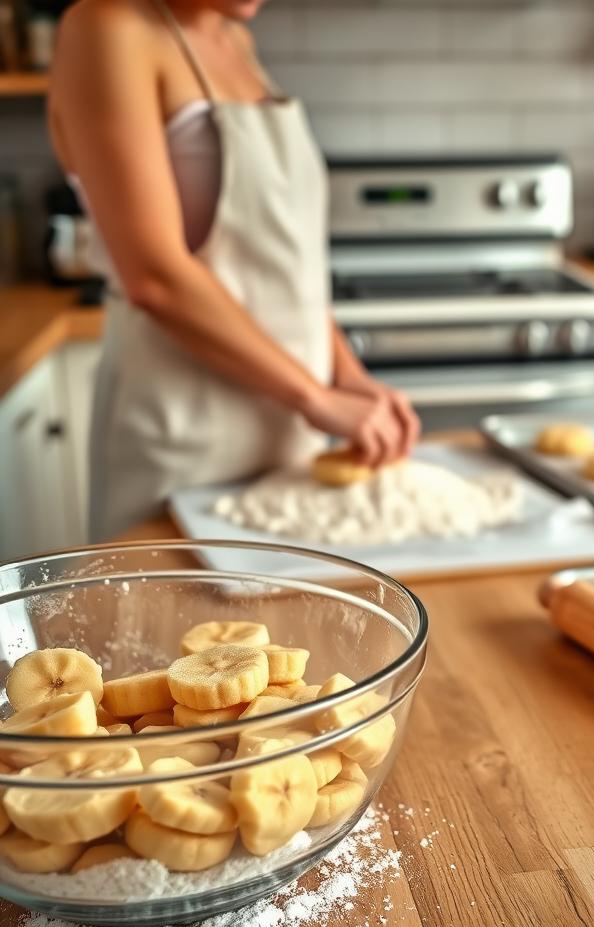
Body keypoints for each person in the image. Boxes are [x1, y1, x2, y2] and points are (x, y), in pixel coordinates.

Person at [48, 0, 420, 540]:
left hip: (291, 432)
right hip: (183, 433)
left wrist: (347, 376)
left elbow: (284, 269)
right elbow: (155, 276)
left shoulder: (236, 42)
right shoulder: (108, 27)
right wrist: (315, 398)